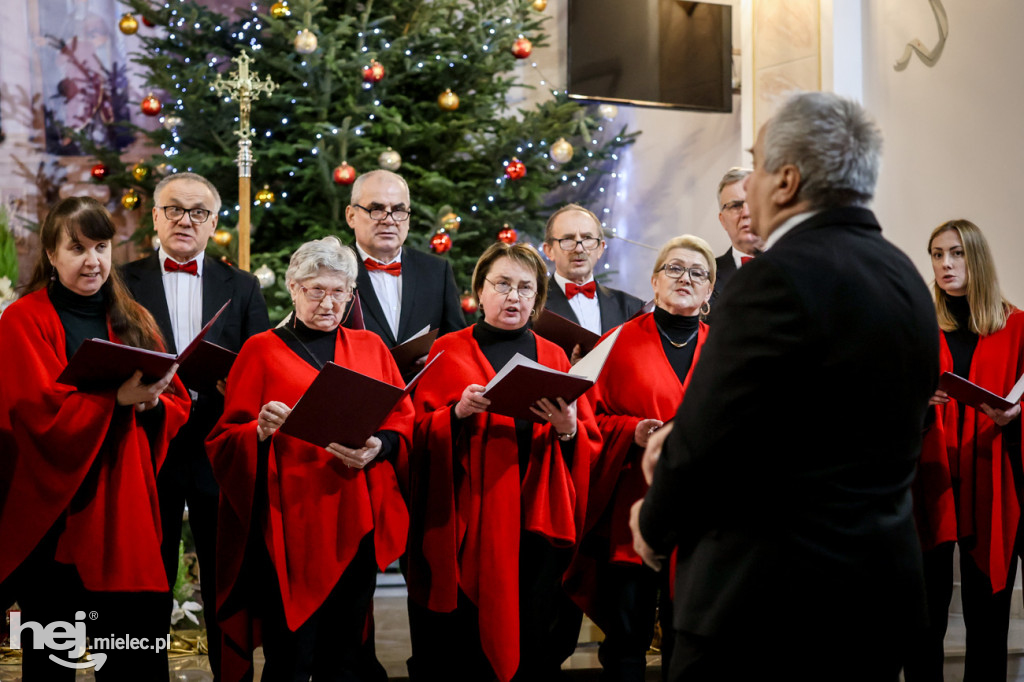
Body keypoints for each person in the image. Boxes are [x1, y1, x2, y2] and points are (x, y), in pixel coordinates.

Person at [630, 91, 939, 681]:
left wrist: (653, 522)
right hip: (876, 597)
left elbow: (705, 441)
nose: (746, 189)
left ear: (788, 180)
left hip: (764, 606)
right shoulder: (904, 276)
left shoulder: (774, 279)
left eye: (758, 164)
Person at [205, 236, 412, 682]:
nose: (328, 302)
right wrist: (258, 431)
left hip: (353, 517)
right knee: (291, 655)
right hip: (287, 523)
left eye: (339, 291)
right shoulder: (261, 349)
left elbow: (403, 420)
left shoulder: (370, 347)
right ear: (293, 288)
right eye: (316, 290)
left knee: (348, 654)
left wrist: (381, 447)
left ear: (352, 294)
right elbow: (224, 438)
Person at [0, 196, 190, 680]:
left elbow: (178, 400)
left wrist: (151, 403)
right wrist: (115, 401)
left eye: (102, 247)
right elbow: (32, 415)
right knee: (53, 657)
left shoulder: (136, 317)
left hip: (126, 508)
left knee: (132, 654)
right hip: (56, 517)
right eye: (78, 248)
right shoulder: (22, 320)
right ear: (50, 254)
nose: (93, 261)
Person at [406, 242, 603, 682]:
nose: (513, 297)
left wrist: (567, 428)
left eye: (525, 288)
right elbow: (413, 434)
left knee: (533, 639)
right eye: (502, 285)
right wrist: (455, 415)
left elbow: (586, 441)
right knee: (463, 651)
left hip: (535, 523)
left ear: (537, 299)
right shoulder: (447, 351)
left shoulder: (553, 356)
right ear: (479, 290)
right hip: (465, 519)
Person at [120, 171, 270, 678]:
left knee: (225, 572)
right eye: (175, 209)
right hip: (146, 443)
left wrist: (241, 388)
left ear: (213, 223)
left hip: (216, 444)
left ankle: (232, 675)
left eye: (199, 212)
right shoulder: (122, 281)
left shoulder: (243, 286)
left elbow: (262, 362)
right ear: (156, 218)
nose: (186, 220)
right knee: (146, 573)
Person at [565, 235, 716, 681]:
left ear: (709, 291)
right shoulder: (617, 342)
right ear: (654, 281)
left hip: (703, 519)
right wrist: (631, 431)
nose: (685, 277)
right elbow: (588, 420)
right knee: (626, 640)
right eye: (674, 268)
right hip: (631, 512)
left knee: (690, 637)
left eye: (697, 272)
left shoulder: (728, 348)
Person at [905, 219, 1024, 681]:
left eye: (955, 253)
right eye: (937, 254)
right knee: (924, 619)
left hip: (992, 475)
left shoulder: (1015, 325)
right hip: (929, 477)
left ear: (976, 258)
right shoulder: (916, 322)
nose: (945, 264)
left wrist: (1015, 414)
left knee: (988, 619)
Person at [344, 169, 465, 349]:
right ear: (351, 216)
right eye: (376, 210)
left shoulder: (437, 271)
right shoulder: (332, 271)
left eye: (398, 210)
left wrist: (434, 357)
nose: (389, 220)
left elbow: (457, 343)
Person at [542, 204, 644, 341]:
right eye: (568, 239)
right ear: (549, 250)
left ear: (600, 249)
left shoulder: (632, 308)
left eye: (587, 238)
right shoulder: (533, 304)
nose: (579, 249)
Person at [706, 167, 761, 323]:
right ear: (722, 220)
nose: (746, 213)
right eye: (735, 206)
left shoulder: (800, 267)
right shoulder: (705, 277)